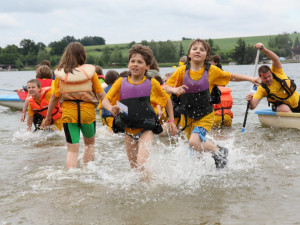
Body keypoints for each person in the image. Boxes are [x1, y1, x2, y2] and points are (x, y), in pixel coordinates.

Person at [165, 39, 260, 169]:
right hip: (187, 116)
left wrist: (251, 79)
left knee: (193, 142)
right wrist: (174, 89)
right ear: (189, 54)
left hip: (205, 115)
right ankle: (203, 172)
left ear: (207, 56)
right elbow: (166, 87)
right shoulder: (181, 71)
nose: (198, 51)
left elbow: (231, 76)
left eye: (202, 49)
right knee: (195, 149)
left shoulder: (212, 71)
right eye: (195, 48)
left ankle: (220, 151)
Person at [102, 44, 177, 177]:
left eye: (140, 62)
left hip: (146, 129)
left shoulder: (152, 83)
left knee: (141, 163)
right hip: (128, 129)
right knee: (135, 169)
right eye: (133, 61)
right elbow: (105, 101)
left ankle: (151, 188)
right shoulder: (120, 82)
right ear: (129, 64)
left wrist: (171, 120)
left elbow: (167, 101)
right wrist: (111, 108)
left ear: (148, 66)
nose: (135, 64)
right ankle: (145, 187)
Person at [42, 42, 106, 169]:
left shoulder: (60, 75)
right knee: (89, 145)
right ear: (83, 55)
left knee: (72, 151)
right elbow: (101, 95)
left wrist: (48, 116)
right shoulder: (90, 73)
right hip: (87, 114)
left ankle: (71, 176)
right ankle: (88, 172)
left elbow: (54, 97)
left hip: (69, 115)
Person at [246, 43, 300, 113]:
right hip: (283, 107)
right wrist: (250, 101)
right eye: (265, 78)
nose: (268, 79)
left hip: (297, 101)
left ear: (271, 73)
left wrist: (263, 49)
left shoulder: (277, 71)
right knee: (283, 109)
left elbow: (275, 58)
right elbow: (253, 106)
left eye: (269, 76)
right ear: (260, 77)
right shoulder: (261, 89)